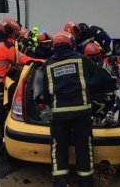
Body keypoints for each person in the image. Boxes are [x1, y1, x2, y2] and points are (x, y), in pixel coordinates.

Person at [0, 18, 44, 157]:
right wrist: (42, 61)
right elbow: (24, 60)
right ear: (9, 32)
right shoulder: (7, 47)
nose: (15, 36)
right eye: (14, 33)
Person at [37, 31, 98, 187]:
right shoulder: (82, 60)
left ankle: (60, 183)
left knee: (59, 150)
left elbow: (44, 93)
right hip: (82, 114)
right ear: (71, 44)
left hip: (59, 115)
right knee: (84, 148)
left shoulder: (49, 64)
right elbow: (99, 80)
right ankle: (86, 183)